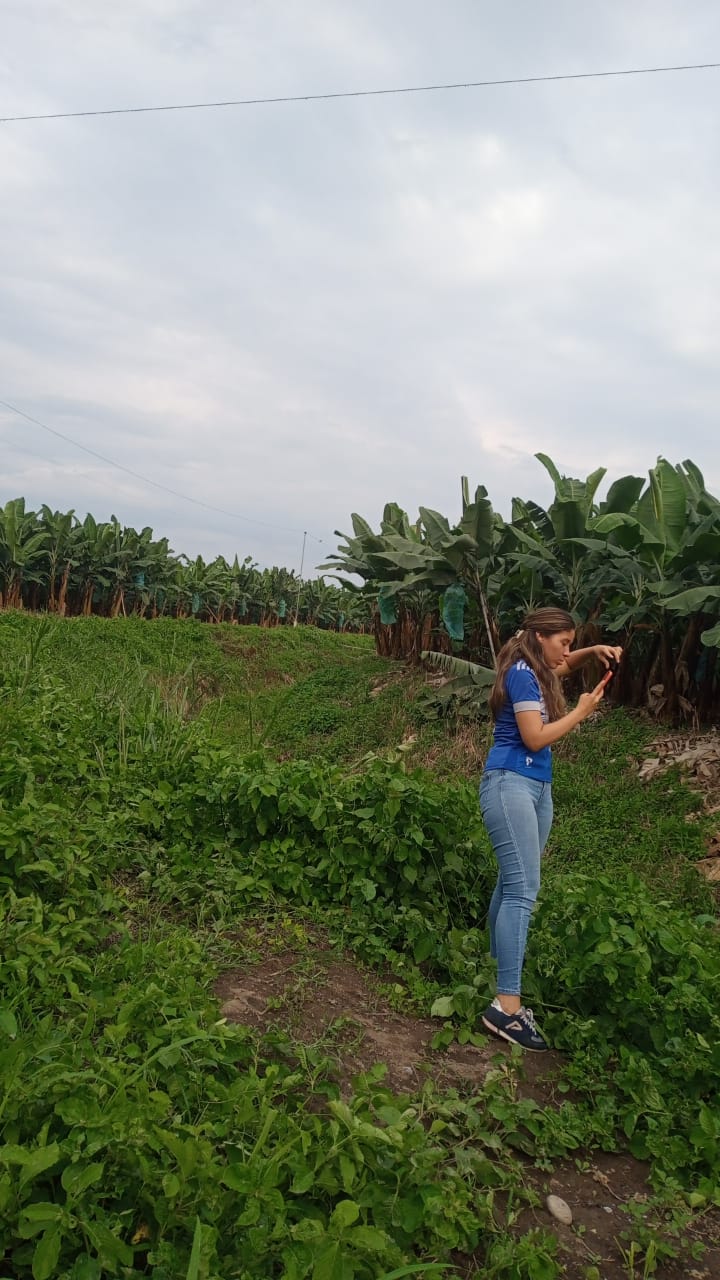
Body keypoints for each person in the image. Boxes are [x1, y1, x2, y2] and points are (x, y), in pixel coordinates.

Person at [479, 607, 622, 1052]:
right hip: (511, 782)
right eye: (563, 641)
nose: (566, 651)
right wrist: (581, 711)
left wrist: (592, 651)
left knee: (511, 883)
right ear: (541, 636)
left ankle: (491, 967)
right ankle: (506, 1007)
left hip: (537, 786)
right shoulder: (523, 674)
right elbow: (535, 737)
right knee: (524, 889)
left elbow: (564, 665)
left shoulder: (538, 666)